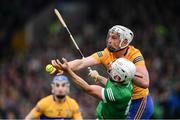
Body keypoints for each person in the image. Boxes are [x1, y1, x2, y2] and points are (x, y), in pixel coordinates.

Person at [51, 25, 154, 119]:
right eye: (109, 37)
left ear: (125, 42)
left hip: (137, 102)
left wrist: (124, 71)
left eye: (114, 38)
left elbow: (145, 82)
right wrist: (63, 67)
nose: (109, 40)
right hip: (117, 103)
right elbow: (82, 63)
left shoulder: (135, 55)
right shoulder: (106, 54)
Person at [57, 57, 136, 119]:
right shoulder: (127, 81)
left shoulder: (118, 94)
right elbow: (113, 84)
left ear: (118, 77)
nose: (110, 66)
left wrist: (68, 71)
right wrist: (98, 77)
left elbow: (88, 88)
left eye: (114, 69)